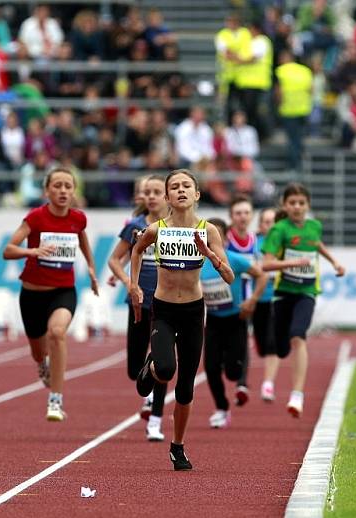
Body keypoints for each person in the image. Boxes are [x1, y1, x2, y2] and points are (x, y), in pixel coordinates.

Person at [129, 169, 234, 471]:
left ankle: (177, 447)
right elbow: (136, 251)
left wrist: (208, 254)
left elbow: (229, 276)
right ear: (167, 197)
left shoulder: (209, 231)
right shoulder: (157, 229)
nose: (181, 190)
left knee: (185, 387)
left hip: (192, 311)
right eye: (174, 187)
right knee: (165, 368)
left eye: (187, 185)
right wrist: (134, 285)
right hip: (163, 309)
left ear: (197, 194)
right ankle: (150, 367)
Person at [3, 168, 99, 421]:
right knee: (38, 351)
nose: (63, 191)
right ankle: (42, 364)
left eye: (68, 186)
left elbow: (82, 240)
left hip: (63, 292)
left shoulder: (78, 218)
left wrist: (90, 267)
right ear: (47, 191)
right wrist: (32, 252)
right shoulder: (35, 218)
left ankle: (55, 400)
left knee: (57, 333)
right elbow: (8, 249)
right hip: (32, 294)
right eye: (57, 186)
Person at [260, 183, 345, 417]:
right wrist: (291, 263)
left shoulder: (314, 226)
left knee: (299, 335)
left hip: (306, 292)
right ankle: (284, 349)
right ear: (285, 205)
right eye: (292, 203)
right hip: (283, 294)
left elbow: (316, 243)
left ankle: (297, 395)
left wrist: (334, 261)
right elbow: (265, 264)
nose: (297, 207)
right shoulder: (279, 230)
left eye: (301, 203)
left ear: (307, 206)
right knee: (282, 346)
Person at [107, 175, 169, 442]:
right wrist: (128, 283)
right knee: (135, 368)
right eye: (148, 192)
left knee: (163, 362)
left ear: (166, 196)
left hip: (167, 304)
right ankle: (149, 380)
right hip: (138, 302)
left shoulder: (176, 227)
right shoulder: (134, 227)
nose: (152, 196)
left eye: (157, 191)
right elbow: (114, 260)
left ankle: (155, 419)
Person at [201, 218, 267, 428]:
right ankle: (221, 407)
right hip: (212, 320)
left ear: (226, 238)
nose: (213, 240)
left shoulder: (235, 259)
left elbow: (262, 275)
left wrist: (252, 300)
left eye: (218, 235)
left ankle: (235, 373)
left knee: (233, 372)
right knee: (210, 367)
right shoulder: (198, 263)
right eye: (209, 236)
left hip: (235, 319)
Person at [224, 195, 260, 405]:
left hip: (245, 301)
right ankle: (229, 369)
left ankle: (242, 383)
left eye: (246, 213)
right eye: (238, 213)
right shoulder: (225, 239)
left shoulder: (255, 241)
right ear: (231, 216)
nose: (243, 217)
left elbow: (259, 270)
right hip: (222, 300)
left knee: (244, 341)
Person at [255, 207, 280, 402]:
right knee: (262, 346)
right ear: (260, 225)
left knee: (272, 343)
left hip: (277, 300)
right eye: (266, 222)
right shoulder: (254, 245)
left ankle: (268, 384)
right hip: (256, 301)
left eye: (274, 221)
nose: (270, 225)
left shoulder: (284, 245)